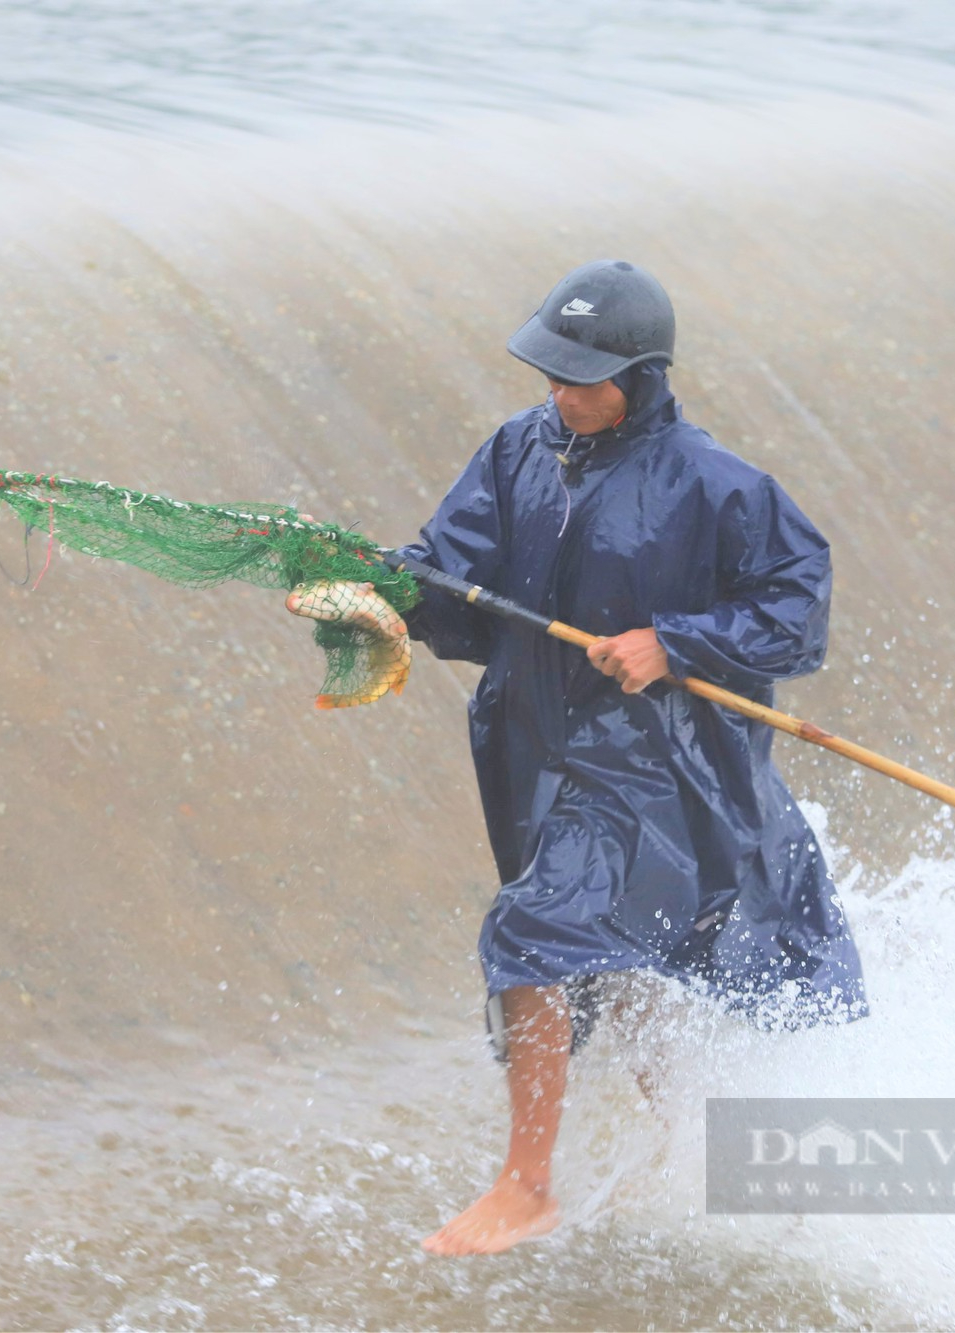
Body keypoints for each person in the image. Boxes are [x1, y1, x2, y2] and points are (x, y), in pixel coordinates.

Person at [295, 260, 866, 1256]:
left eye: (581, 379)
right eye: (549, 373)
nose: (559, 394)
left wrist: (673, 643)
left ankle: (525, 1186)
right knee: (623, 958)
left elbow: (793, 609)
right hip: (536, 749)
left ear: (640, 378)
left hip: (657, 768)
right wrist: (382, 592)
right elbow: (450, 580)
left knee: (534, 931)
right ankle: (682, 1149)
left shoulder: (714, 484)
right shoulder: (517, 452)